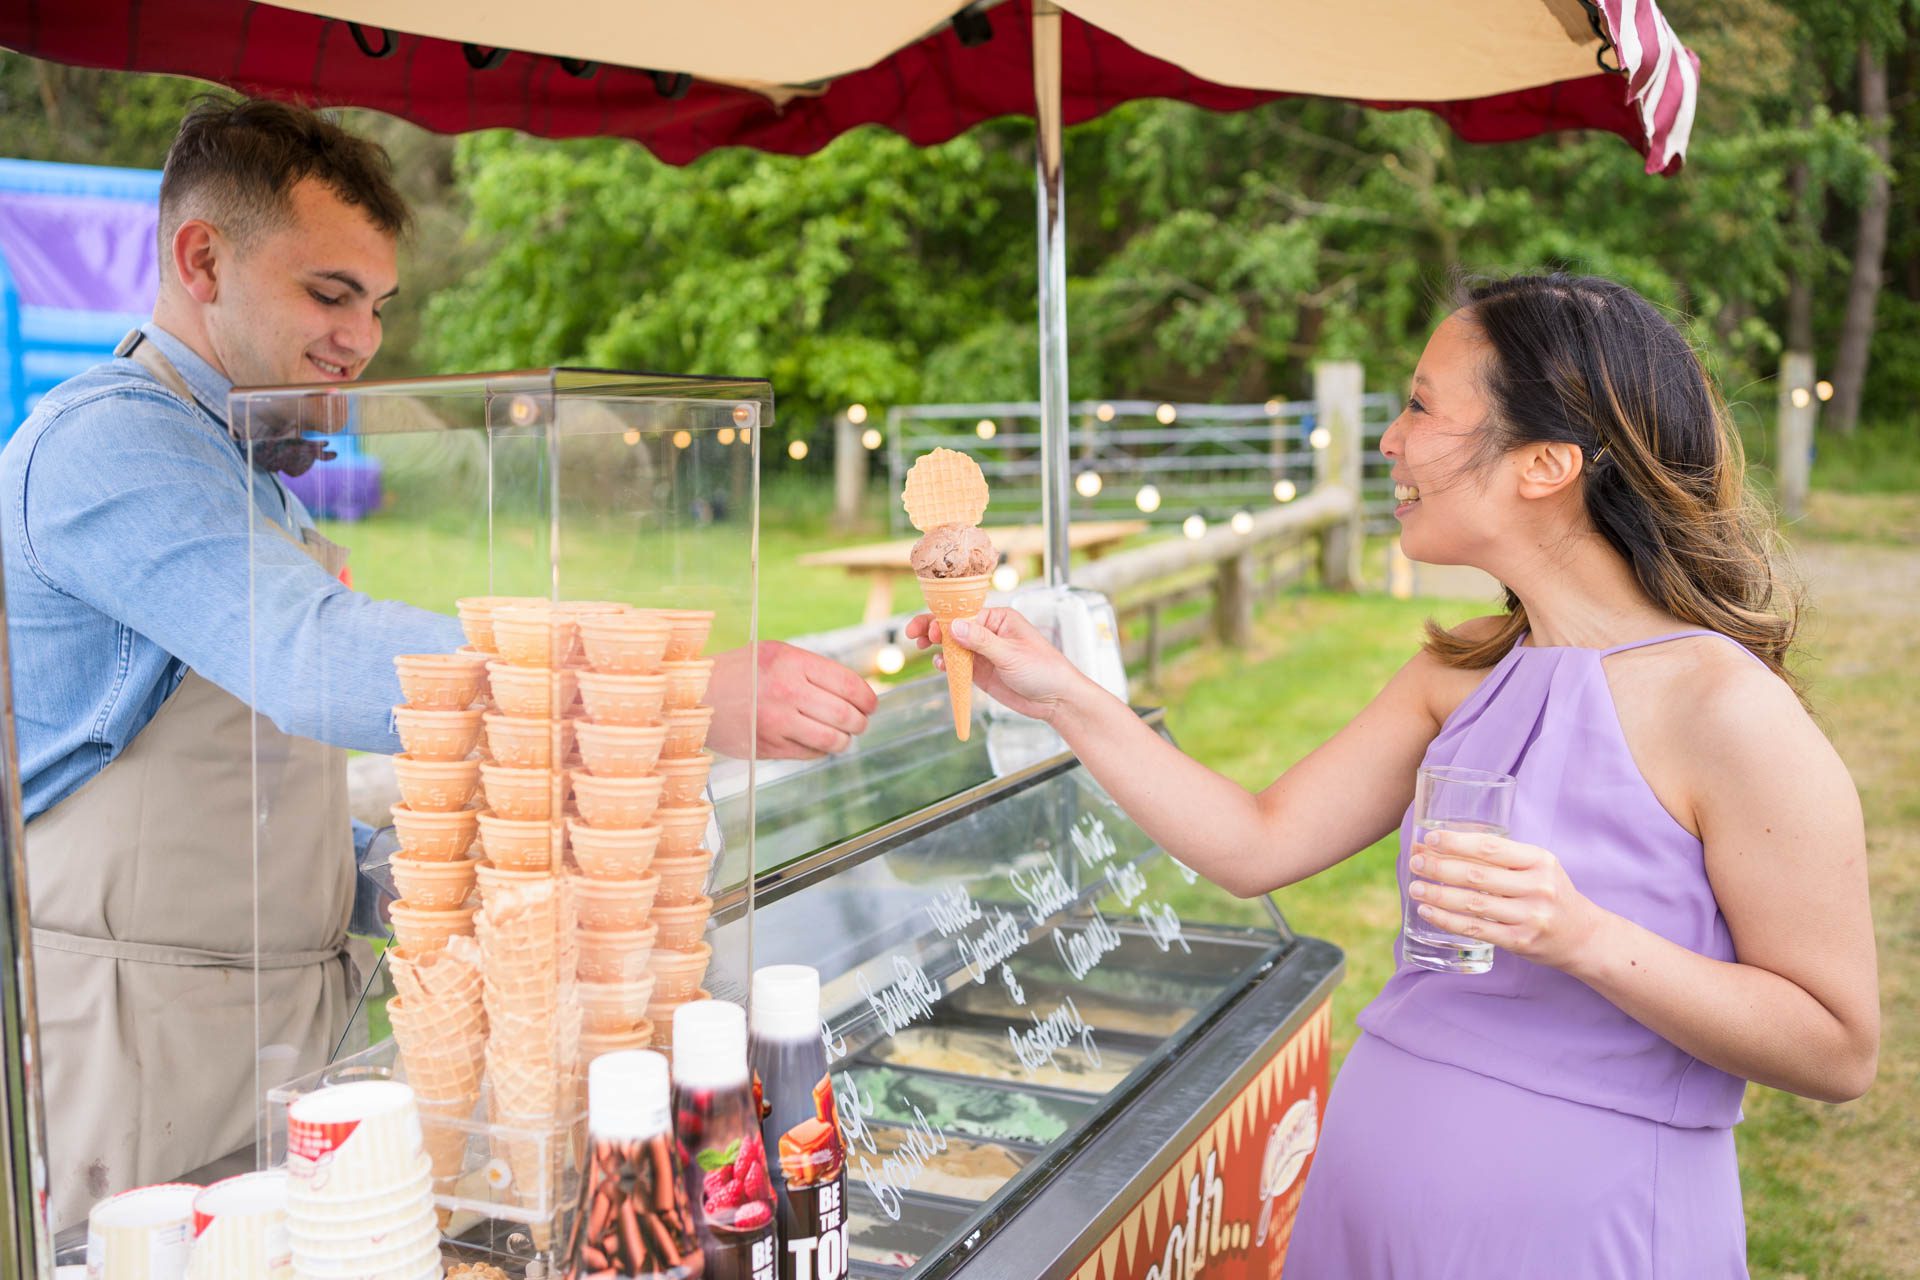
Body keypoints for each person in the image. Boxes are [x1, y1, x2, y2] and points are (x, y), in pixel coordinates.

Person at [1, 97, 876, 1228]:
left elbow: (255, 795)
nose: (361, 339)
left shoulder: (246, 465)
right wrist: (668, 689)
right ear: (201, 257)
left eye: (376, 303)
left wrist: (443, 886)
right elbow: (314, 657)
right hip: (132, 1049)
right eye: (329, 293)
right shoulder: (109, 444)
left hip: (278, 1035)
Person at [909, 273, 1879, 1277]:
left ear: (1545, 462)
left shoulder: (1726, 709)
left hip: (1587, 1238)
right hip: (1364, 1224)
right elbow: (1254, 842)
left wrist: (1584, 936)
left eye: (1421, 405)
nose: (1389, 439)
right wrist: (1059, 689)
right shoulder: (1455, 675)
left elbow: (1838, 1046)